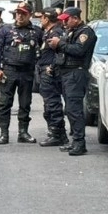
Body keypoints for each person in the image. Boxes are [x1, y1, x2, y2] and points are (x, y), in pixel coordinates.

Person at [47, 7, 97, 156]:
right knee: (69, 109)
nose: (64, 22)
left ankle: (79, 143)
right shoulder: (71, 32)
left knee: (75, 110)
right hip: (67, 73)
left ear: (75, 18)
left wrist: (60, 44)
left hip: (77, 73)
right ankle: (75, 141)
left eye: (67, 19)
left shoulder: (86, 32)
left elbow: (78, 50)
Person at [0, 3, 43, 145]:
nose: (20, 16)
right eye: (18, 13)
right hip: (9, 71)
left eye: (23, 13)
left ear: (29, 15)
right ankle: (4, 133)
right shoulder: (5, 30)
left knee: (25, 103)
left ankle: (23, 132)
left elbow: (42, 52)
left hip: (27, 72)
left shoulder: (37, 32)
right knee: (4, 103)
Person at [37, 11, 68, 146]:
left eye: (41, 18)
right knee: (48, 104)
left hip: (50, 72)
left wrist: (52, 66)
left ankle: (57, 133)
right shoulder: (48, 32)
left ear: (46, 19)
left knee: (52, 104)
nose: (40, 21)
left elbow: (59, 53)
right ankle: (57, 133)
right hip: (44, 70)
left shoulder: (55, 33)